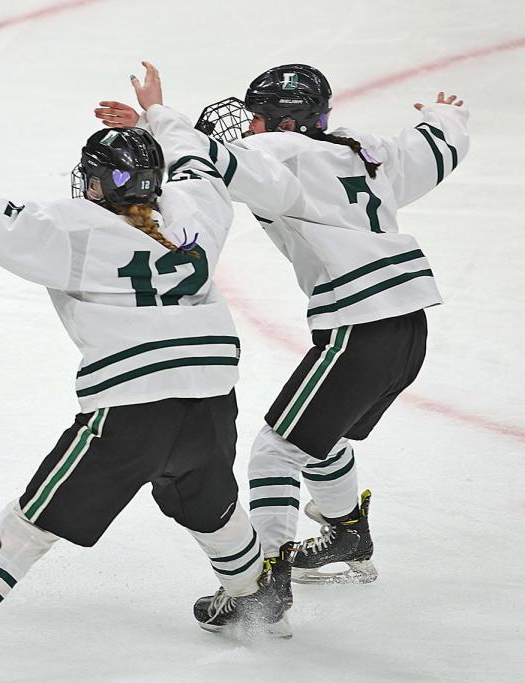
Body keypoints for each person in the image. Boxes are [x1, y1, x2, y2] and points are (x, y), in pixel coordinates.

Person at [0, 90, 301, 676]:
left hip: (129, 413)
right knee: (212, 507)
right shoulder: (195, 214)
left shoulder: (71, 229)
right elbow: (196, 163)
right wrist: (158, 114)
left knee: (33, 522)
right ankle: (254, 598)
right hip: (211, 402)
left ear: (94, 186)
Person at [97, 62, 469, 589]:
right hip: (408, 328)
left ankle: (267, 576)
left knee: (276, 449)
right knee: (318, 436)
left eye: (255, 118)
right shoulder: (362, 150)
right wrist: (446, 116)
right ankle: (345, 532)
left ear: (287, 125)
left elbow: (207, 163)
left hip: (360, 326)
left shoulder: (277, 155)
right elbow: (434, 148)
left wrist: (156, 116)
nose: (247, 127)